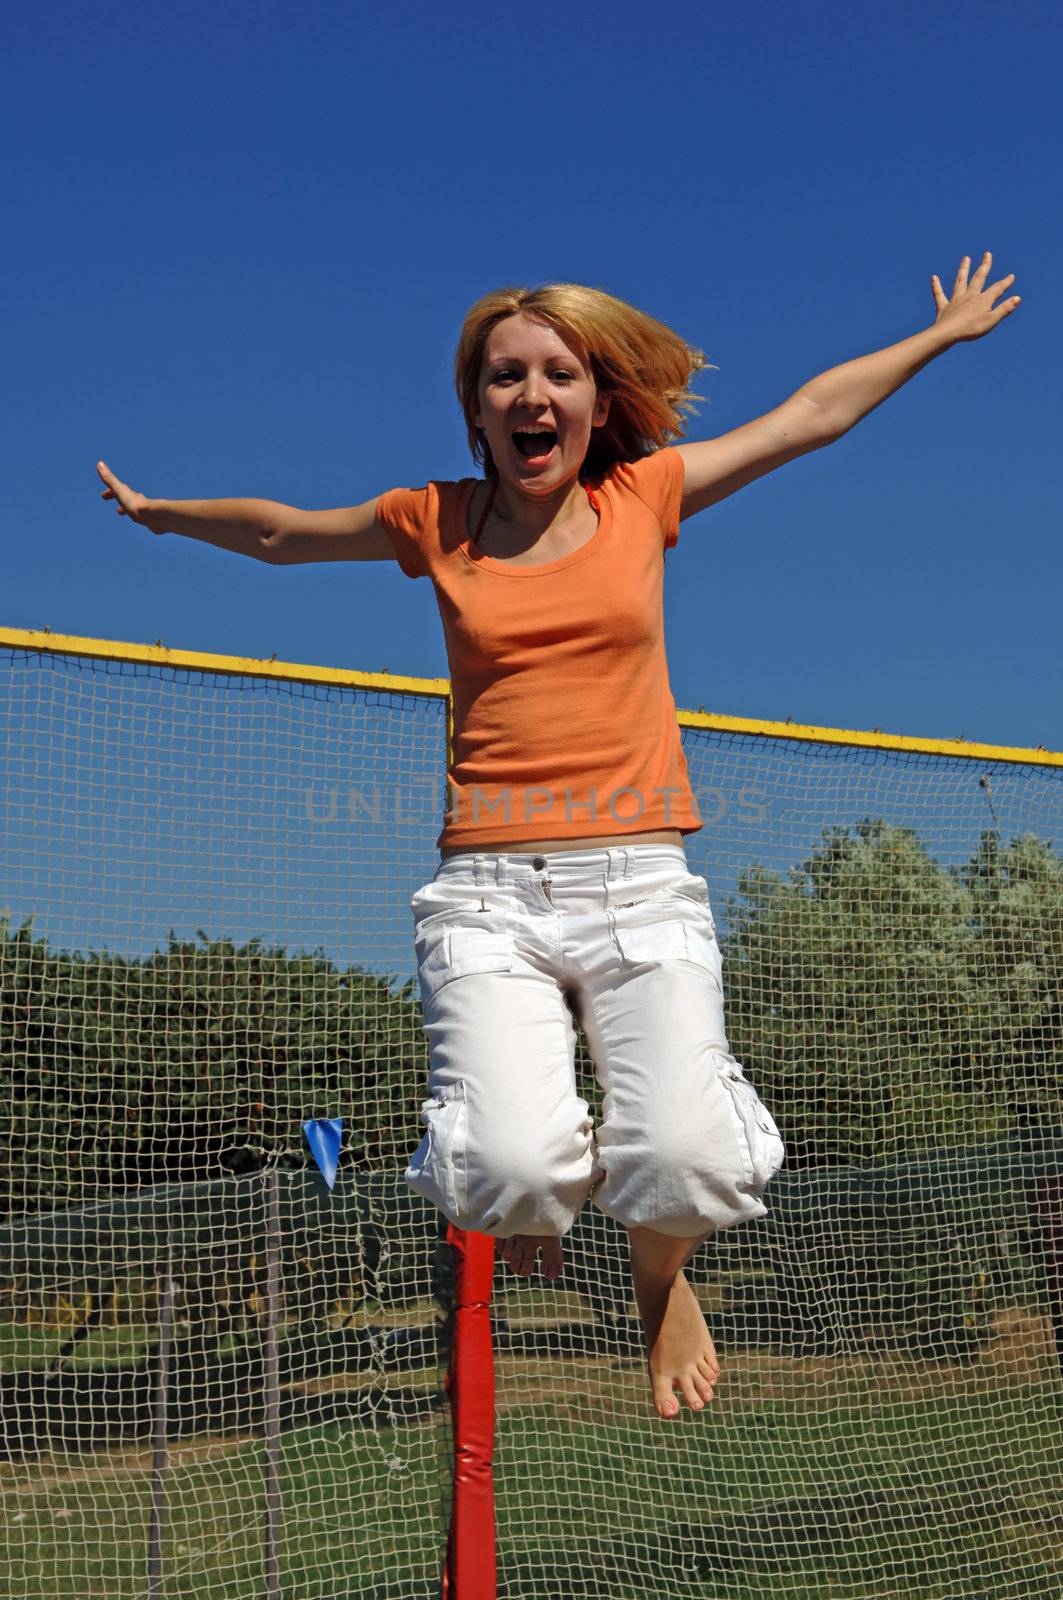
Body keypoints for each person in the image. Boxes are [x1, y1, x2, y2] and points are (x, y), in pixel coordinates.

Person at [96, 251, 1020, 1420]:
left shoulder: (643, 500)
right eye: (503, 378)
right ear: (475, 410)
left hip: (639, 878)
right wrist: (161, 516)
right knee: (510, 1173)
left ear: (594, 400)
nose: (532, 395)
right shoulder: (433, 521)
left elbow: (807, 418)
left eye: (557, 374)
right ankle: (540, 1208)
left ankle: (656, 1271)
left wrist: (936, 336)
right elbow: (284, 534)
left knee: (688, 1160)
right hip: (489, 892)